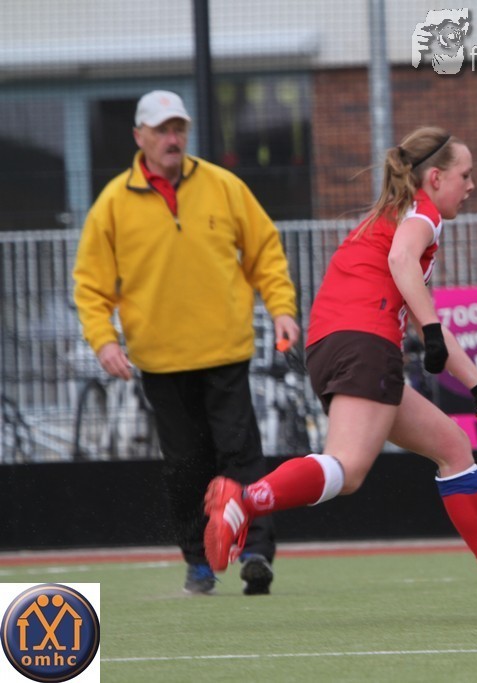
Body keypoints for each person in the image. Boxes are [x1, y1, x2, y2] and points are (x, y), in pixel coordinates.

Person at [201, 126, 477, 617]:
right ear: (435, 178)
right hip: (366, 343)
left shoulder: (388, 218)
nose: (471, 185)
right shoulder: (421, 214)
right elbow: (403, 264)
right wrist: (430, 330)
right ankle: (244, 501)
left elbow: (415, 296)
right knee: (348, 468)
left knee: (452, 446)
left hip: (333, 347)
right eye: (465, 175)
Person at [73, 90, 300, 597]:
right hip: (160, 361)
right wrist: (104, 342)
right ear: (139, 137)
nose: (172, 138)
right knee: (185, 468)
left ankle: (256, 553)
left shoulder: (224, 186)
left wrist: (282, 309)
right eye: (161, 130)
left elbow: (265, 251)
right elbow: (90, 285)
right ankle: (199, 562)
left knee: (241, 455)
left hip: (226, 352)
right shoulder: (112, 204)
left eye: (178, 128)